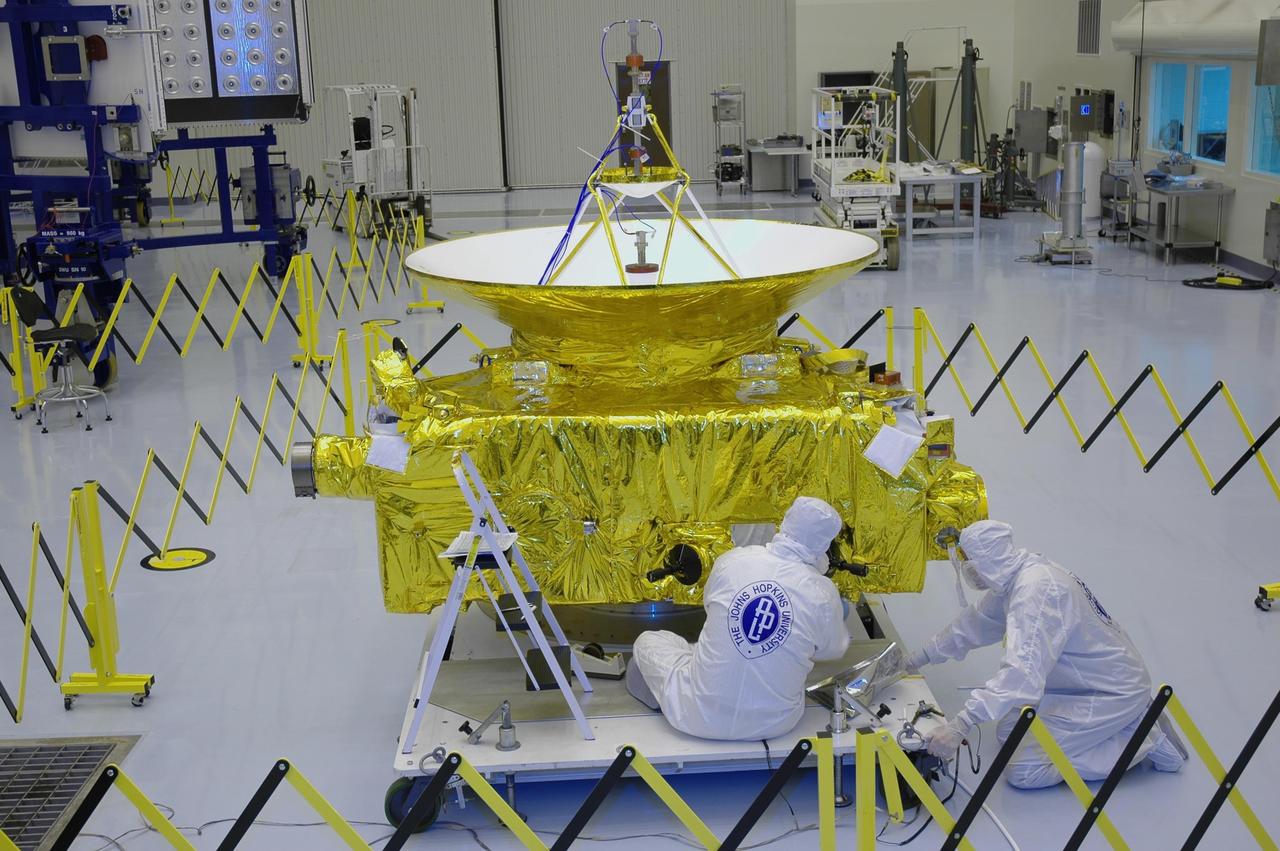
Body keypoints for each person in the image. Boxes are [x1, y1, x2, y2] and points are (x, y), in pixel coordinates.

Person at [905, 520, 1187, 789]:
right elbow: (973, 625)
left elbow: (1021, 675)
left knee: (1024, 770)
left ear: (985, 560)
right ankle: (1120, 726)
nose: (966, 568)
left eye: (968, 560)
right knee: (1008, 733)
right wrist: (914, 660)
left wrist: (961, 724)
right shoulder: (1017, 575)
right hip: (1077, 684)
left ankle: (1145, 736)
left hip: (1110, 692)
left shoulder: (1035, 592)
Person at [627, 496, 851, 740]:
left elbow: (710, 606)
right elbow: (831, 651)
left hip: (696, 716)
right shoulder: (822, 591)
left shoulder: (733, 561)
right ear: (825, 544)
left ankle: (672, 686)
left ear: (785, 523)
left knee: (649, 640)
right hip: (777, 722)